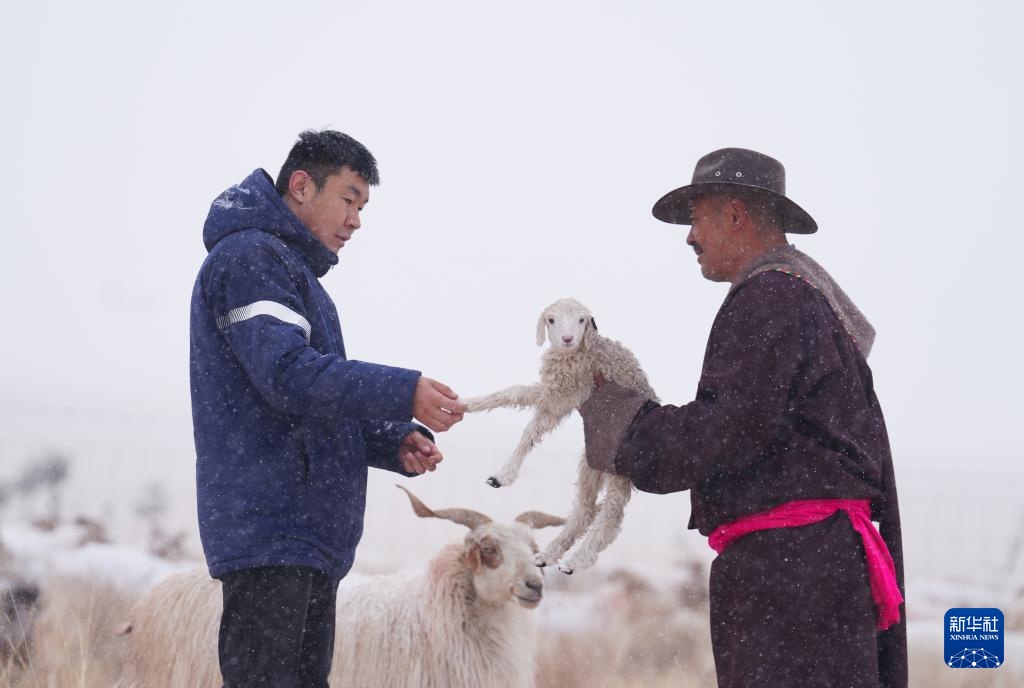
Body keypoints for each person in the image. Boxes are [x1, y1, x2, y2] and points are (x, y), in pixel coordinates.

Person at [579, 148, 907, 687]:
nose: (689, 236)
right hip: (818, 572)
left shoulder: (772, 297)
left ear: (735, 214)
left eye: (697, 217)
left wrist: (616, 414)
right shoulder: (807, 302)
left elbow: (719, 431)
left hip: (791, 578)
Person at [189, 129, 466, 688]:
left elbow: (310, 401)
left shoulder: (293, 274)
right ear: (300, 186)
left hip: (303, 538)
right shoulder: (250, 259)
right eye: (348, 197)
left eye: (362, 206)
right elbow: (288, 376)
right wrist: (403, 389)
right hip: (272, 532)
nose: (356, 219)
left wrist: (389, 439)